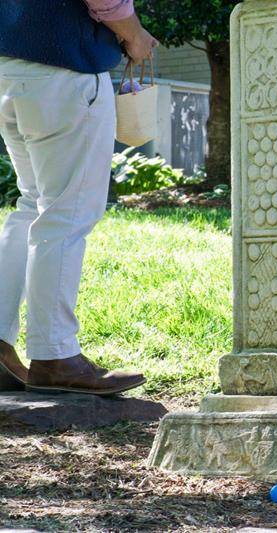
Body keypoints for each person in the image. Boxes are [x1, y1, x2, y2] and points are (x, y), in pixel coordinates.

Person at [0, 0, 158, 394]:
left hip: (10, 69)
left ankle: (1, 344)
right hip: (66, 72)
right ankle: (54, 356)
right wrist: (134, 35)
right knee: (64, 214)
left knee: (31, 205)